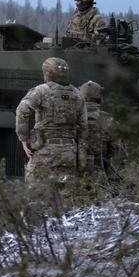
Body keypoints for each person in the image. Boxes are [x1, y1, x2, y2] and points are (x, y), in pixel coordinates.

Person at [16, 57, 88, 185]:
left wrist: (24, 139)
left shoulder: (41, 91)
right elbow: (83, 127)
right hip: (69, 153)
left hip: (44, 150)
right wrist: (81, 158)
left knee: (37, 192)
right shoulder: (78, 94)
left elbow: (22, 110)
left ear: (47, 73)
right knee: (65, 194)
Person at [79, 81, 119, 175]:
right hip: (99, 174)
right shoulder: (109, 121)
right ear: (100, 98)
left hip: (74, 174)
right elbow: (117, 151)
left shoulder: (72, 117)